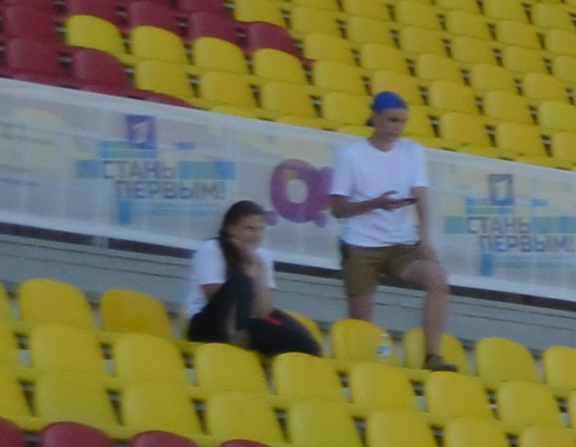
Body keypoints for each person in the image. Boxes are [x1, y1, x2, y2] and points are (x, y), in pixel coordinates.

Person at [325, 89, 450, 370]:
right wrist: (376, 204)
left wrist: (426, 239)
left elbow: (422, 196)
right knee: (361, 319)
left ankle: (432, 355)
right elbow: (337, 208)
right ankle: (362, 367)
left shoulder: (412, 150)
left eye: (401, 122)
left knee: (438, 279)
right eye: (392, 120)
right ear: (376, 118)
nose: (397, 128)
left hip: (401, 242)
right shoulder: (351, 155)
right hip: (361, 243)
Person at [179, 199, 323, 359]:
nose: (256, 235)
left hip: (247, 323)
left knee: (303, 342)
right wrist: (249, 274)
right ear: (230, 228)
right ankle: (237, 337)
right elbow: (215, 296)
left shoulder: (262, 258)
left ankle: (245, 339)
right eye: (249, 229)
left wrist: (258, 267)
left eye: (260, 230)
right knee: (240, 281)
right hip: (206, 324)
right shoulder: (211, 249)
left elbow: (263, 311)